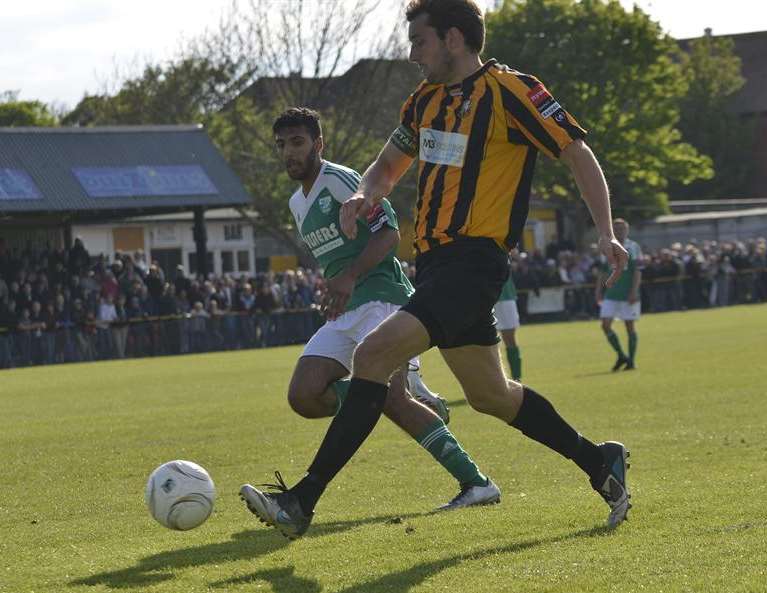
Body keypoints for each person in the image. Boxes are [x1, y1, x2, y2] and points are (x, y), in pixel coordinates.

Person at [240, 0, 631, 540]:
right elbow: (387, 166)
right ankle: (600, 460)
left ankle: (302, 500)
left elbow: (577, 152)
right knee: (491, 395)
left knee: (373, 355)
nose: (411, 54)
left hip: (475, 262)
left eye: (419, 42)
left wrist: (605, 231)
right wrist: (363, 194)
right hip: (435, 266)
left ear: (453, 39)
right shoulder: (423, 101)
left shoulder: (510, 90)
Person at [240, 108, 500, 520]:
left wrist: (349, 275)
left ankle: (477, 483)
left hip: (384, 298)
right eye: (282, 145)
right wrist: (337, 287)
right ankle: (394, 396)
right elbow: (336, 257)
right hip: (346, 310)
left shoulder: (342, 180)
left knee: (392, 399)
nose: (289, 152)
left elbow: (390, 234)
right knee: (304, 395)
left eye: (297, 142)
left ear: (318, 144)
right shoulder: (296, 202)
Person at [595, 219, 642, 371]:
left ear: (627, 230)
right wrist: (598, 291)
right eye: (617, 228)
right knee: (605, 325)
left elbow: (637, 271)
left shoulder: (633, 247)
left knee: (629, 326)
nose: (620, 231)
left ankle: (631, 361)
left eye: (623, 228)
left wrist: (634, 291)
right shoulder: (607, 246)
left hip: (628, 294)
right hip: (611, 293)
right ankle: (621, 355)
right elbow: (602, 272)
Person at [494, 270, 521, 381]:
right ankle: (495, 380)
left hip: (505, 297)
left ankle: (516, 378)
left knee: (509, 339)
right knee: (485, 343)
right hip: (484, 297)